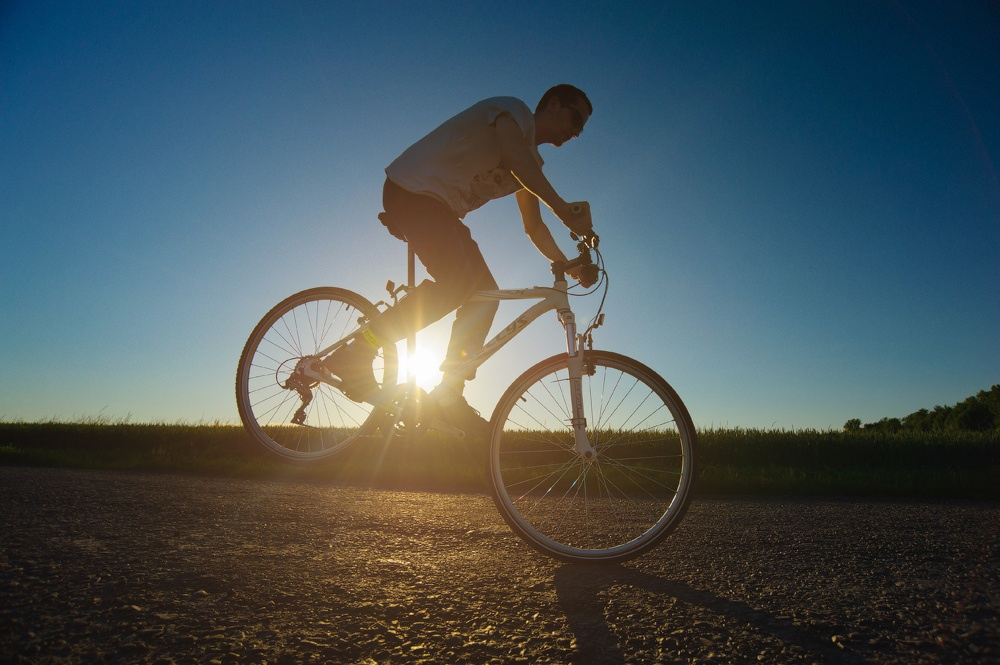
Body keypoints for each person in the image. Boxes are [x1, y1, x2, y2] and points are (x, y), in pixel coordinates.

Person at [321, 84, 594, 436]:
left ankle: (449, 394)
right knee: (458, 285)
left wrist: (568, 264)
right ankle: (358, 351)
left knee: (485, 296)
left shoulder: (531, 164)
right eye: (576, 118)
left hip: (440, 210)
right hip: (412, 190)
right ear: (554, 104)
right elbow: (515, 160)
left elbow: (534, 227)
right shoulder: (513, 112)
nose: (576, 131)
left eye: (582, 128)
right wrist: (564, 208)